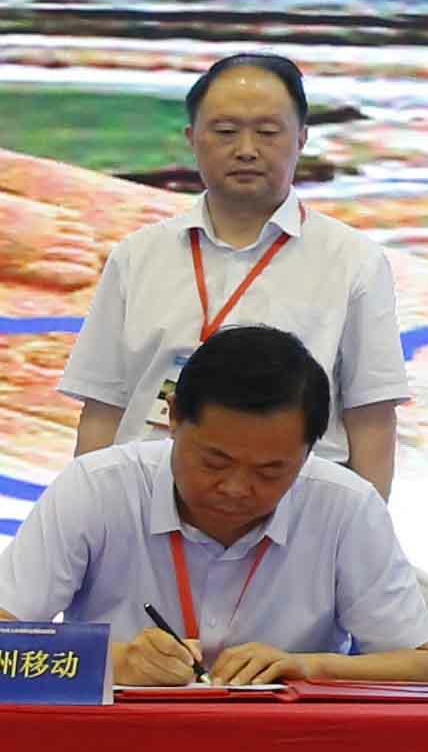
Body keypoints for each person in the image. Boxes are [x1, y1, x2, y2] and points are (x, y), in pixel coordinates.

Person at [0, 324, 428, 684]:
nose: (236, 488)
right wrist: (113, 662)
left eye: (270, 471)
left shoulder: (345, 505)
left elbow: (426, 668)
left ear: (309, 450)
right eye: (215, 461)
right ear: (173, 417)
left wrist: (307, 666)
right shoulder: (97, 488)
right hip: (118, 748)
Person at [64, 50, 408, 488]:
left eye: (267, 132)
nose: (246, 150)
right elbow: (102, 409)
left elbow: (372, 417)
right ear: (192, 138)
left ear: (301, 138)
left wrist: (366, 525)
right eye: (226, 132)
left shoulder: (354, 261)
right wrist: (87, 515)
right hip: (145, 500)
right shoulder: (136, 256)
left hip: (294, 508)